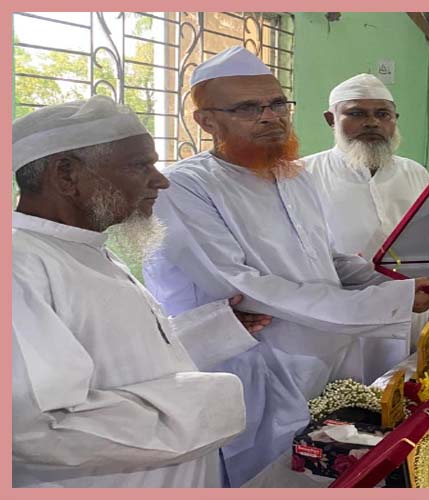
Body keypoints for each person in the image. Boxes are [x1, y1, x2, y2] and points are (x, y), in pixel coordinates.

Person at [142, 46, 429, 486]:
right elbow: (245, 288)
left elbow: (328, 259)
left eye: (278, 104)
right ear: (206, 121)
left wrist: (398, 281)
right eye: (248, 108)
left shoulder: (292, 175)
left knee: (328, 470)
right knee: (263, 476)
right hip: (255, 365)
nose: (270, 117)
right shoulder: (186, 187)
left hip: (325, 356)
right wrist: (390, 300)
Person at [12, 96, 267, 487]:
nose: (161, 180)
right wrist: (210, 402)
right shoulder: (20, 266)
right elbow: (34, 428)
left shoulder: (85, 249)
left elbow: (116, 359)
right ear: (66, 175)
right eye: (139, 165)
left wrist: (216, 328)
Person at [302, 73, 429, 351]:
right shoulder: (301, 175)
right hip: (341, 319)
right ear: (331, 119)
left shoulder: (415, 173)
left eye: (383, 114)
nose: (372, 122)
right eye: (356, 113)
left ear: (395, 119)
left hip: (412, 310)